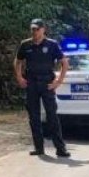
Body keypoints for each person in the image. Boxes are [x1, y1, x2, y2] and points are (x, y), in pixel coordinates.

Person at [14, 19, 71, 157]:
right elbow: (18, 61)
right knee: (34, 117)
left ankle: (60, 148)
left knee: (52, 116)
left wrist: (58, 81)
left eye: (37, 29)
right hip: (31, 83)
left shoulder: (52, 45)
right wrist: (19, 77)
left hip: (47, 83)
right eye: (33, 29)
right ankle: (39, 148)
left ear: (43, 29)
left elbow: (64, 63)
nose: (34, 32)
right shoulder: (26, 44)